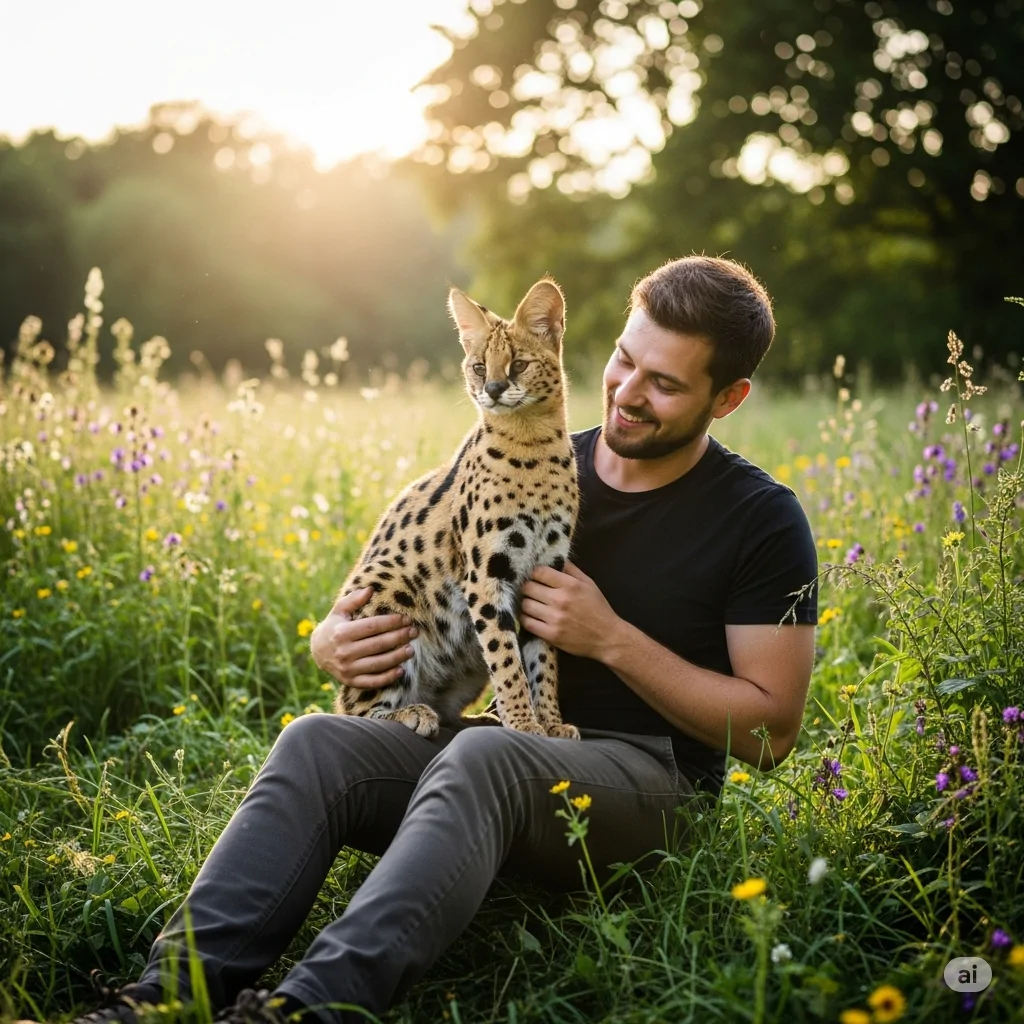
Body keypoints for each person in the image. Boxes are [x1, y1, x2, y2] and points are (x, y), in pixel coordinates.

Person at [66, 256, 817, 1024]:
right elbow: (422, 565)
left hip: (650, 780)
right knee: (318, 741)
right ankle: (159, 1001)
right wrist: (334, 637)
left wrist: (614, 639)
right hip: (510, 748)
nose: (627, 392)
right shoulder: (534, 455)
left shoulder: (758, 518)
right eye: (625, 360)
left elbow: (772, 731)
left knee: (486, 752)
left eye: (664, 383)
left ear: (728, 398)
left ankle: (308, 1011)